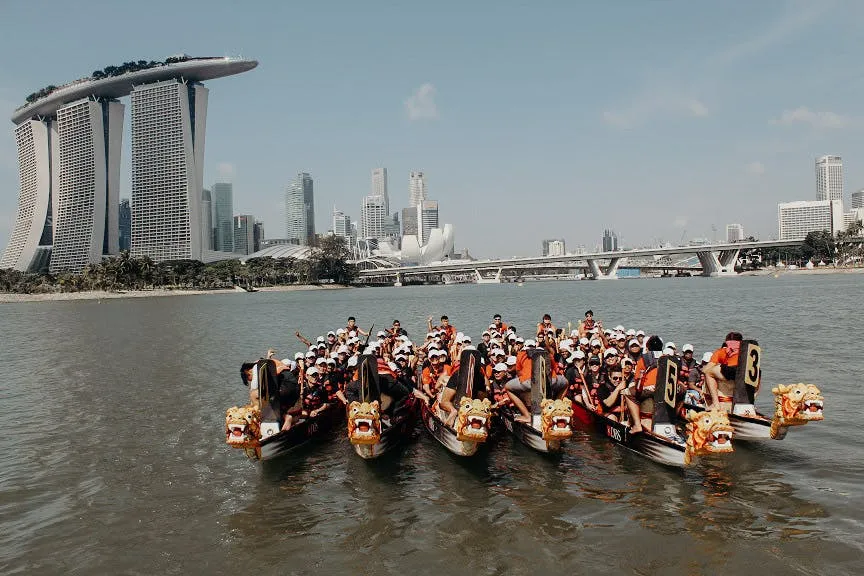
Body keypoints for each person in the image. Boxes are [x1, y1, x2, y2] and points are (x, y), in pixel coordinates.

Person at [703, 332, 743, 409]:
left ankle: (715, 403)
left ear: (726, 341)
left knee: (708, 373)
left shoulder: (722, 351)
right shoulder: (745, 350)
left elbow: (706, 369)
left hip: (732, 370)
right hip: (746, 372)